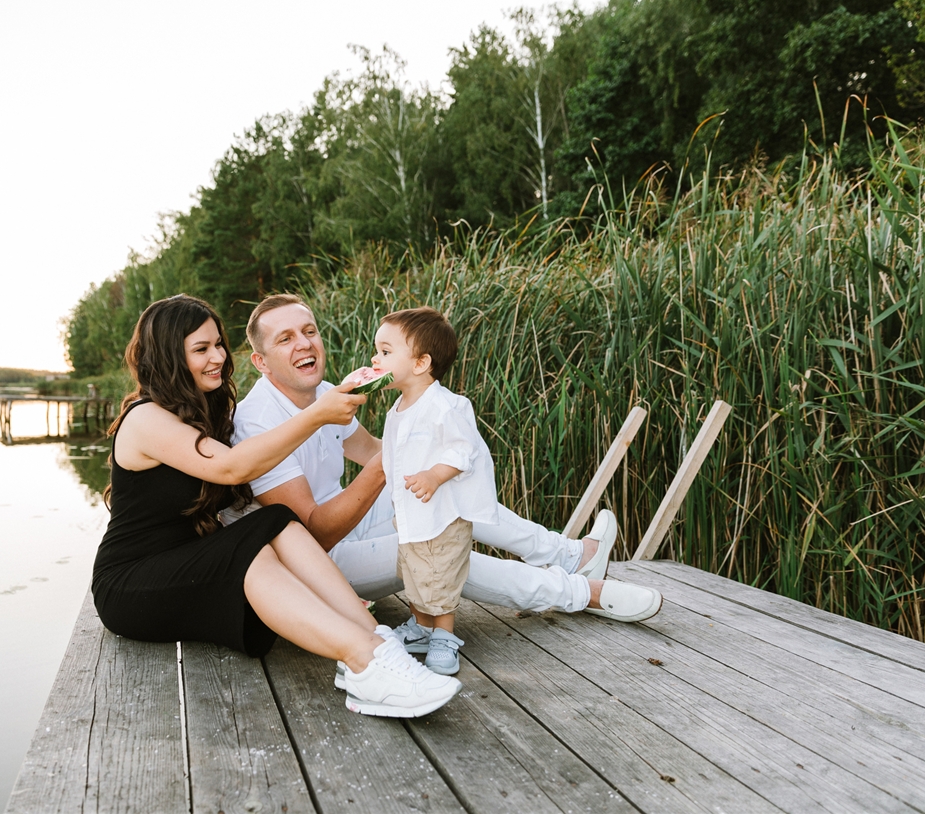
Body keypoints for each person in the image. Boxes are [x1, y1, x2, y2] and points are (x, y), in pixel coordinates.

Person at [91, 295, 462, 718]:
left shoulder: (205, 410)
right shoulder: (146, 418)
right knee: (246, 550)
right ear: (169, 357)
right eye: (200, 350)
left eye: (218, 345)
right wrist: (318, 414)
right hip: (130, 583)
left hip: (185, 563)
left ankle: (377, 648)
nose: (217, 358)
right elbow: (233, 467)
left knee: (277, 519)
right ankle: (362, 659)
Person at [230, 294, 662, 654]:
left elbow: (372, 453)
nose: (304, 344)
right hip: (319, 561)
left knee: (447, 488)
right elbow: (315, 533)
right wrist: (398, 460)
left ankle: (570, 556)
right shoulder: (256, 422)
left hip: (350, 526)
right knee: (436, 550)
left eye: (309, 331)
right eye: (285, 339)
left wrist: (432, 457)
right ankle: (583, 594)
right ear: (261, 362)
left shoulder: (325, 393)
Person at [371, 307, 498, 675]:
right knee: (414, 573)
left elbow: (464, 450)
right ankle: (421, 628)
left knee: (440, 576)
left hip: (442, 517)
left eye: (385, 351)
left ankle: (443, 636)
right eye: (377, 350)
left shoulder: (446, 406)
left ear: (421, 362)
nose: (376, 358)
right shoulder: (398, 408)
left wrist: (434, 476)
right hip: (413, 515)